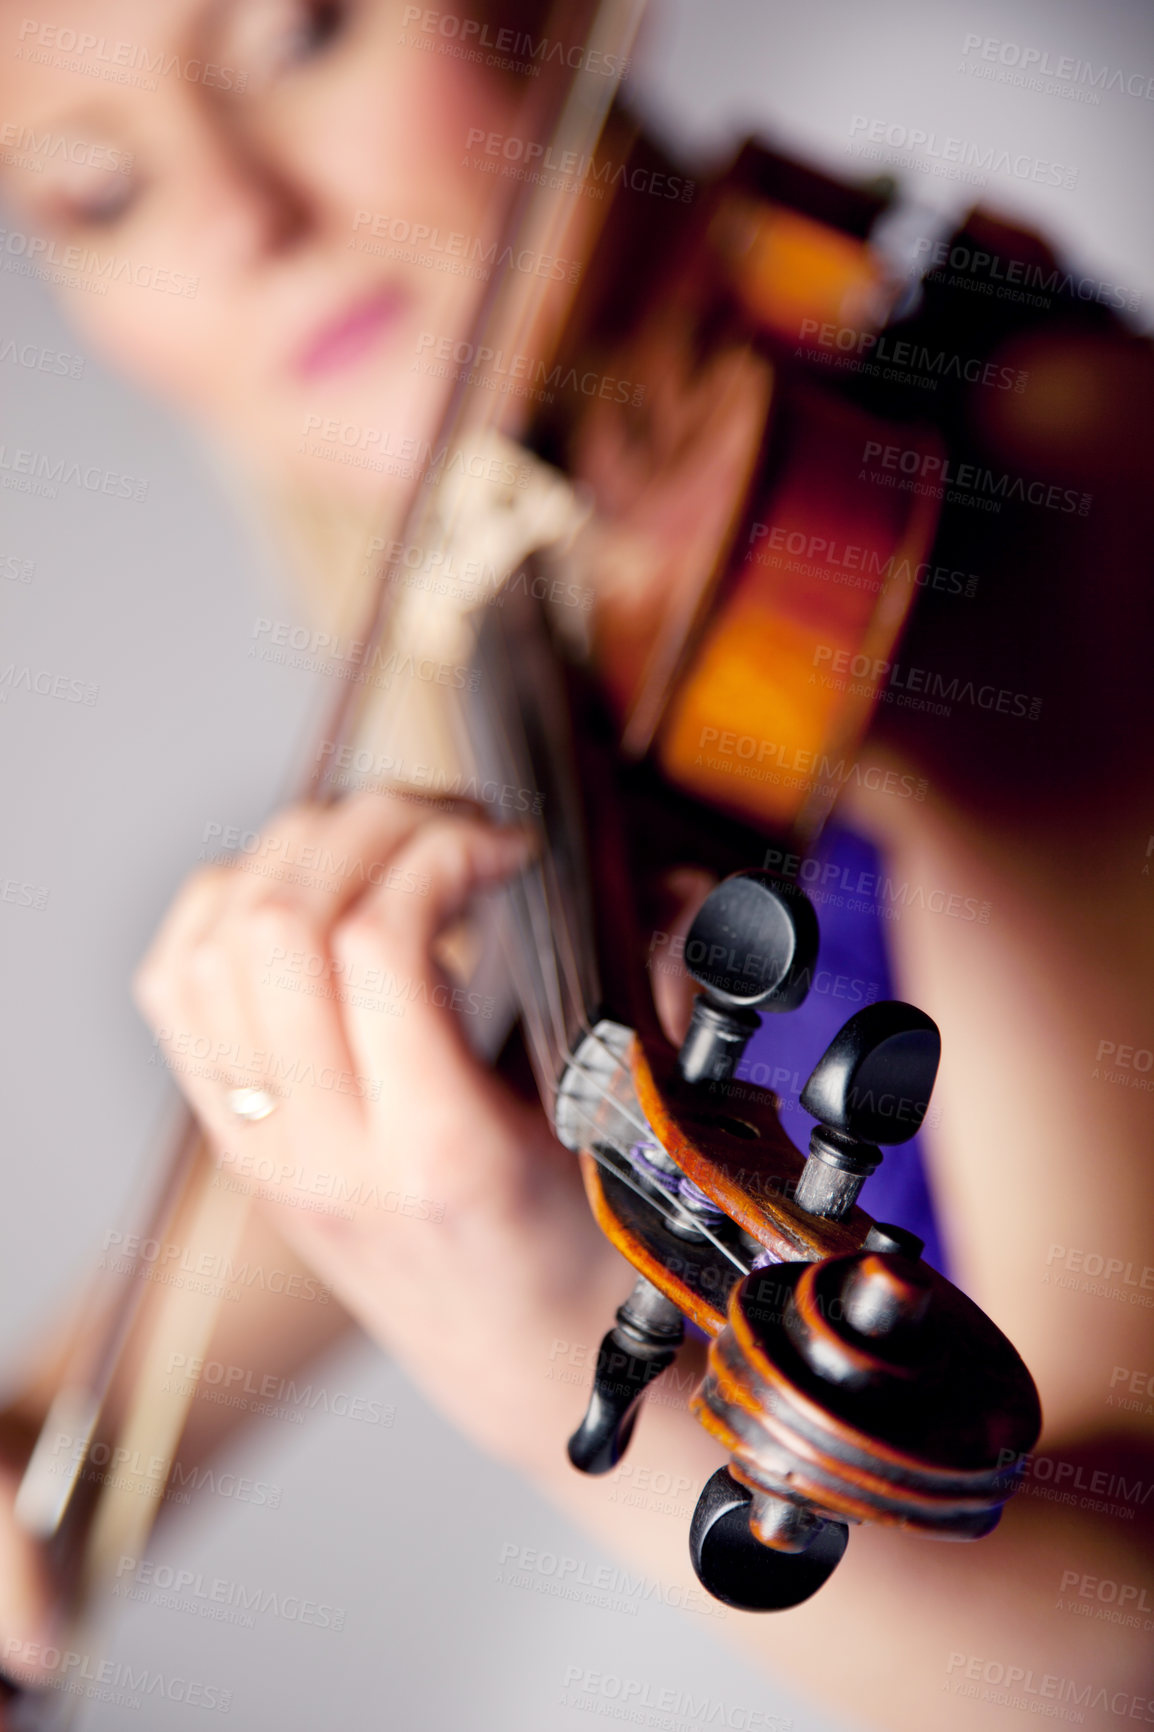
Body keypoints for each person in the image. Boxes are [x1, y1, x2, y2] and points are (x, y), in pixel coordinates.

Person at [1, 3, 1152, 1728]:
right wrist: (43, 1448)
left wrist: (525, 1320)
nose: (243, 217)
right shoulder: (591, 523)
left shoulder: (1007, 479)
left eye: (300, 35)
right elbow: (497, 1009)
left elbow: (1107, 1649)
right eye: (97, 194)